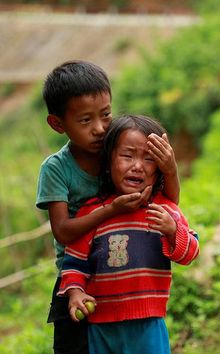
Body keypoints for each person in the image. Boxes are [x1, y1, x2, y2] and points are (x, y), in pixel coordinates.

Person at [36, 61, 180, 354]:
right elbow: (63, 231)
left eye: (105, 114)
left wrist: (171, 169)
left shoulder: (116, 151)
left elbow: (168, 201)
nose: (100, 128)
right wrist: (112, 210)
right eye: (85, 121)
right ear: (58, 124)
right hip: (78, 276)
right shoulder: (56, 169)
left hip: (123, 272)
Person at [58, 114, 199, 354]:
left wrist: (174, 231)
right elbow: (74, 261)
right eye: (127, 155)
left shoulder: (163, 209)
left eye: (148, 158)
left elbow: (191, 252)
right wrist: (75, 292)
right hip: (101, 326)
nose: (137, 165)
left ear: (160, 169)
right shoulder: (93, 212)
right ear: (108, 161)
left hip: (148, 323)